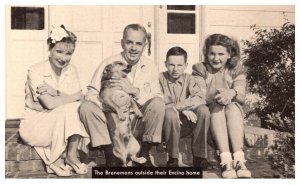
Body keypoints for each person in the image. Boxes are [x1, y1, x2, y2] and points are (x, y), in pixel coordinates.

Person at [79, 24, 165, 166]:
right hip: (112, 122)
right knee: (86, 107)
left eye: (138, 44)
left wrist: (135, 91)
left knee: (157, 103)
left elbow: (158, 97)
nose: (133, 48)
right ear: (122, 43)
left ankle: (144, 154)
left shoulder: (150, 66)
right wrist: (109, 106)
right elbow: (91, 93)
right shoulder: (109, 63)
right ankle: (111, 154)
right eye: (129, 42)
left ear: (145, 45)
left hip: (136, 122)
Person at [19, 25, 90, 176]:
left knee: (75, 107)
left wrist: (55, 92)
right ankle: (56, 158)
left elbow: (82, 100)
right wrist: (72, 96)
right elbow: (49, 104)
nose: (63, 58)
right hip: (36, 125)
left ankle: (69, 156)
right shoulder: (36, 70)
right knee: (71, 107)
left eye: (68, 53)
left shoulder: (72, 70)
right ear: (49, 49)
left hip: (60, 121)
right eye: (59, 51)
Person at [192, 34, 251, 178]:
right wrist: (220, 96)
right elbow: (200, 96)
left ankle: (239, 160)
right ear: (207, 54)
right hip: (212, 118)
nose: (216, 58)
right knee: (218, 107)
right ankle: (226, 161)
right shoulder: (200, 69)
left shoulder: (237, 69)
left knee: (232, 107)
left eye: (221, 54)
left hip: (232, 116)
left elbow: (241, 96)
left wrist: (231, 92)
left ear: (229, 54)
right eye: (212, 53)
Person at [159, 47, 210, 168]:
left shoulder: (190, 79)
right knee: (170, 113)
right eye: (171, 65)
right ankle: (173, 158)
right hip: (166, 124)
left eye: (180, 65)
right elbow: (159, 101)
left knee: (203, 110)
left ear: (186, 65)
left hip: (187, 123)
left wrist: (181, 107)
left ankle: (199, 157)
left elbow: (200, 97)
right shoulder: (159, 78)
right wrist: (178, 109)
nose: (175, 69)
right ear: (165, 64)